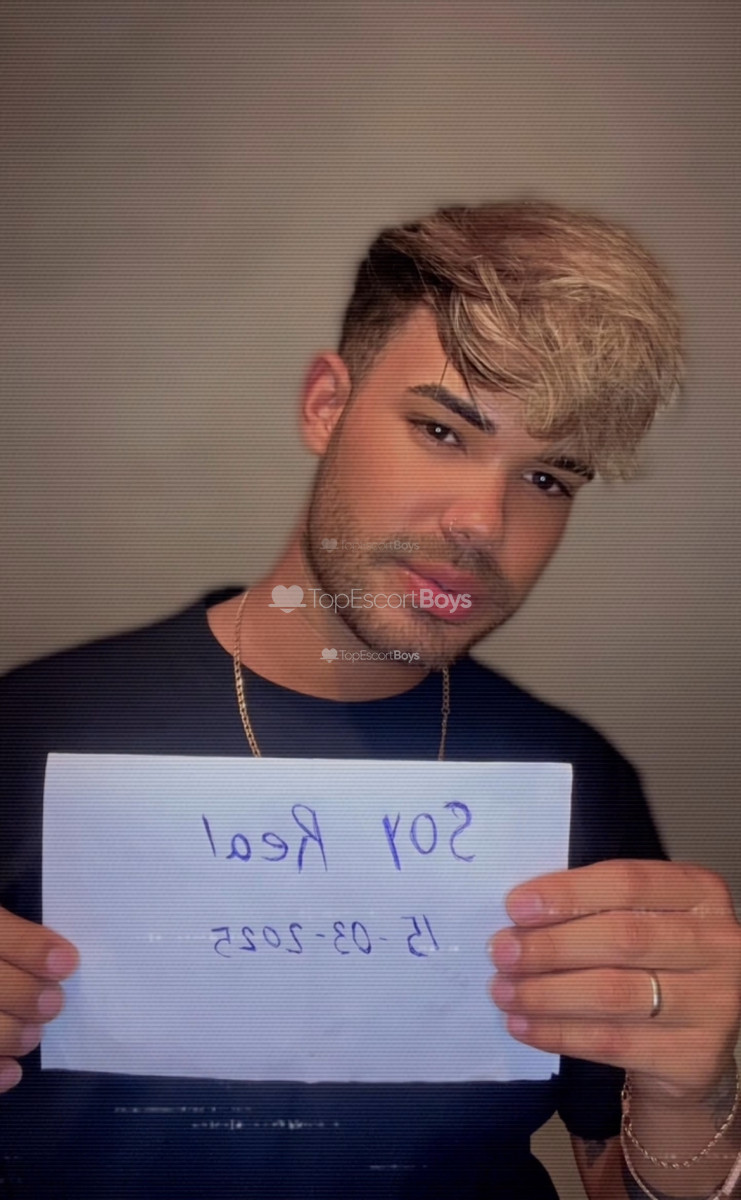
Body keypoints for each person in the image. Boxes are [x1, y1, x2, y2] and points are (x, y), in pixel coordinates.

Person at [1, 200, 739, 1200]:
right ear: (325, 405)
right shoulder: (29, 732)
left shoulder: (578, 783)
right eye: (441, 429)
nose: (482, 522)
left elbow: (618, 1178)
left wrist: (689, 1101)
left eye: (548, 479)